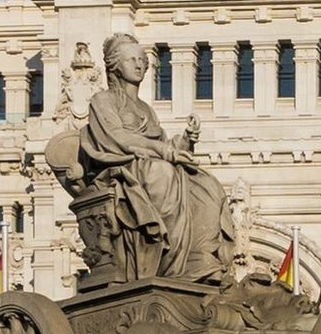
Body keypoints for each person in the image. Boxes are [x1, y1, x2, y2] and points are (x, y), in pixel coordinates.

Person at [77, 33, 236, 282]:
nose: (139, 64)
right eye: (131, 60)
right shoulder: (102, 100)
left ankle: (198, 258)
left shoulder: (145, 109)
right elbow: (118, 139)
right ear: (115, 66)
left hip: (150, 164)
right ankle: (171, 267)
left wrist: (185, 140)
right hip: (122, 168)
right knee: (162, 173)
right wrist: (167, 152)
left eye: (142, 59)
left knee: (207, 186)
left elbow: (160, 144)